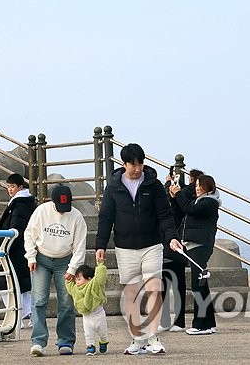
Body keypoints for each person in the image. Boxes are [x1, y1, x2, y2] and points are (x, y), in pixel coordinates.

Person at [94, 143, 180, 356]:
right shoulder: (113, 187)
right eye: (133, 164)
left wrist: (172, 237)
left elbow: (165, 215)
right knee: (131, 293)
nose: (137, 168)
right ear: (124, 164)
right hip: (124, 247)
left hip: (152, 245)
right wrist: (100, 245)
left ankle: (153, 337)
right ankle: (137, 339)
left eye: (140, 164)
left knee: (153, 289)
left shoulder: (153, 185)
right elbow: (106, 217)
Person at [24, 184, 87, 356]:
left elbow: (80, 246)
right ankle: (38, 341)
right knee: (38, 301)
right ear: (53, 202)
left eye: (65, 208)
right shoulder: (41, 211)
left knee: (66, 302)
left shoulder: (76, 217)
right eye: (59, 207)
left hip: (65, 260)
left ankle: (65, 341)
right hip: (41, 259)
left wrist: (73, 269)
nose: (62, 211)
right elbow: (29, 234)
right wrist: (30, 256)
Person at [0, 173, 37, 329]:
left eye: (12, 187)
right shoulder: (24, 202)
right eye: (8, 186)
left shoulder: (19, 204)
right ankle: (26, 314)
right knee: (22, 284)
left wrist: (3, 248)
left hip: (13, 250)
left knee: (8, 284)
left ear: (20, 187)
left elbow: (16, 228)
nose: (9, 189)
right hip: (21, 249)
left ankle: (18, 316)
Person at [175, 173, 220, 335]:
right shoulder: (202, 200)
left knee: (197, 285)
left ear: (208, 187)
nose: (197, 189)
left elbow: (190, 209)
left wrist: (179, 194)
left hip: (200, 246)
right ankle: (209, 323)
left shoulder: (209, 202)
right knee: (202, 285)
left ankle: (200, 325)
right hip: (194, 246)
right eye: (196, 186)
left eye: (200, 186)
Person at [161, 167, 201, 332]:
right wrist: (168, 184)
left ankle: (179, 321)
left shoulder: (185, 196)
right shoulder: (166, 196)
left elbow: (186, 198)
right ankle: (164, 320)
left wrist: (178, 190)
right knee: (163, 284)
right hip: (163, 243)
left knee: (178, 284)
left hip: (178, 244)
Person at [65, 263, 109, 355]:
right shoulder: (75, 289)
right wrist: (68, 280)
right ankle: (90, 346)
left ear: (89, 279)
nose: (76, 281)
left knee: (103, 332)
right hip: (87, 316)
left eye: (79, 279)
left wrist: (100, 265)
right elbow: (70, 288)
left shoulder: (94, 285)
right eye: (76, 279)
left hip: (99, 314)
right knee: (88, 333)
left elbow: (100, 278)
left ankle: (103, 341)